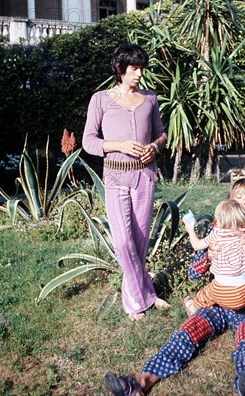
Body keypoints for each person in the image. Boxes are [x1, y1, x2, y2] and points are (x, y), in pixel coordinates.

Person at [104, 178, 245, 395]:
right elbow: (193, 272)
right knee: (187, 332)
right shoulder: (217, 231)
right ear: (230, 201)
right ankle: (140, 384)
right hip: (216, 302)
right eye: (239, 198)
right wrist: (209, 255)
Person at [82, 43, 168, 322]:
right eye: (134, 69)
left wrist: (154, 148)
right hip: (116, 177)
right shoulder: (100, 100)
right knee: (123, 242)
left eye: (142, 68)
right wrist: (117, 144)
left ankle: (137, 297)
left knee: (141, 241)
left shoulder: (150, 99)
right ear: (120, 69)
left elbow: (161, 135)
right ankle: (143, 297)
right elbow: (88, 141)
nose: (139, 74)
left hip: (145, 177)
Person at [182, 198, 245, 315]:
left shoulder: (216, 233)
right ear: (242, 217)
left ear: (220, 220)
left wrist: (190, 230)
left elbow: (197, 246)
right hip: (242, 293)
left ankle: (194, 307)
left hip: (218, 291)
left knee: (205, 294)